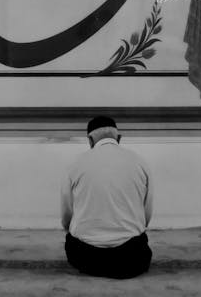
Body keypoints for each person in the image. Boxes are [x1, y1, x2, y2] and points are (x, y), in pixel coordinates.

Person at [61, 115, 153, 279]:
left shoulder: (75, 164)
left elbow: (66, 216)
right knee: (141, 242)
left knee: (71, 240)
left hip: (85, 257)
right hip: (132, 259)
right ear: (119, 138)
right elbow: (146, 213)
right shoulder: (140, 162)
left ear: (90, 140)